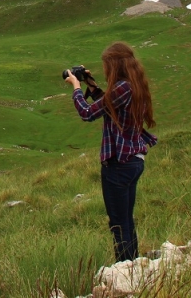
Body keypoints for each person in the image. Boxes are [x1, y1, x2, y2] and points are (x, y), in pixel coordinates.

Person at [64, 42, 157, 262]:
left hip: (118, 164)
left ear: (114, 65)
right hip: (134, 160)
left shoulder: (122, 88)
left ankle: (125, 270)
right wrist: (91, 84)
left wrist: (76, 87)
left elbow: (87, 113)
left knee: (118, 223)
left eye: (107, 65)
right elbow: (108, 105)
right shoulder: (134, 85)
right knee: (126, 219)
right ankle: (133, 265)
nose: (105, 69)